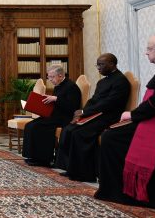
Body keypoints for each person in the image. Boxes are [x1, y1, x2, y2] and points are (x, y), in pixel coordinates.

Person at [95, 33, 155, 210]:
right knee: (112, 135)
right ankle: (120, 189)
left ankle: (126, 192)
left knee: (112, 138)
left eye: (149, 48)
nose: (146, 52)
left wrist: (132, 115)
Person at [55, 53, 130, 181]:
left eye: (101, 64)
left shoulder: (120, 81)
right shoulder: (102, 81)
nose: (98, 68)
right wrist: (82, 112)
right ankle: (72, 168)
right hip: (96, 114)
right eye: (97, 65)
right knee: (69, 129)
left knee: (80, 133)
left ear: (112, 64)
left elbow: (109, 103)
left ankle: (85, 174)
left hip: (110, 116)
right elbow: (94, 100)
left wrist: (85, 112)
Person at [21, 65, 81, 166]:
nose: (50, 79)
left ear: (60, 75)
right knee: (30, 125)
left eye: (52, 77)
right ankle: (32, 156)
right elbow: (57, 102)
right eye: (49, 77)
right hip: (55, 115)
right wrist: (48, 100)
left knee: (37, 127)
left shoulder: (71, 87)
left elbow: (73, 106)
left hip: (65, 118)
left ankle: (43, 159)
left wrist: (56, 99)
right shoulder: (58, 85)